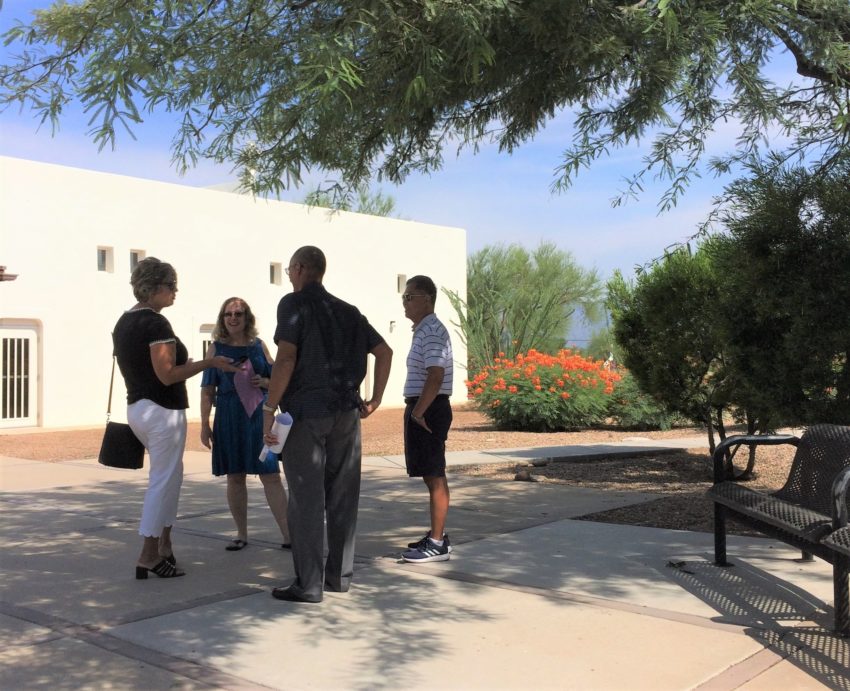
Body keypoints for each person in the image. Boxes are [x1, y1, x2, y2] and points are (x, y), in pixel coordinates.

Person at [263, 246, 392, 603]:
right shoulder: (349, 311)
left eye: (290, 269)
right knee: (342, 497)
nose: (289, 275)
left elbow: (285, 359)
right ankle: (339, 576)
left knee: (306, 500)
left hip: (307, 412)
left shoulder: (294, 305)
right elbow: (384, 352)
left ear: (302, 268)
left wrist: (268, 407)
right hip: (347, 413)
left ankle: (308, 583)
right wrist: (375, 398)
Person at [113, 257, 236, 579]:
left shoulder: (125, 321)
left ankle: (164, 547)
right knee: (162, 482)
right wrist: (209, 364)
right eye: (171, 286)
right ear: (153, 287)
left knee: (171, 479)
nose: (175, 293)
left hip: (139, 408)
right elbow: (167, 375)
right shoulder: (156, 323)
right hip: (161, 411)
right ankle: (148, 554)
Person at [200, 297, 291, 551]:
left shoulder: (259, 346)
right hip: (228, 415)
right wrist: (204, 424)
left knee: (270, 475)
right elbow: (207, 389)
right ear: (222, 318)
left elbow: (278, 379)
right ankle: (241, 534)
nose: (233, 318)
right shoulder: (215, 348)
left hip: (259, 417)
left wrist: (264, 383)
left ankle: (288, 534)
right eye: (228, 314)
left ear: (246, 317)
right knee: (235, 476)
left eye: (238, 313)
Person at [399, 275, 454, 563]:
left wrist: (419, 411)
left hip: (429, 409)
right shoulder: (423, 330)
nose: (405, 303)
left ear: (427, 299)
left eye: (410, 297)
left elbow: (436, 374)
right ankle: (437, 534)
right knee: (430, 473)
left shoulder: (431, 330)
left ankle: (437, 543)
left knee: (434, 474)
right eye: (404, 297)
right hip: (424, 407)